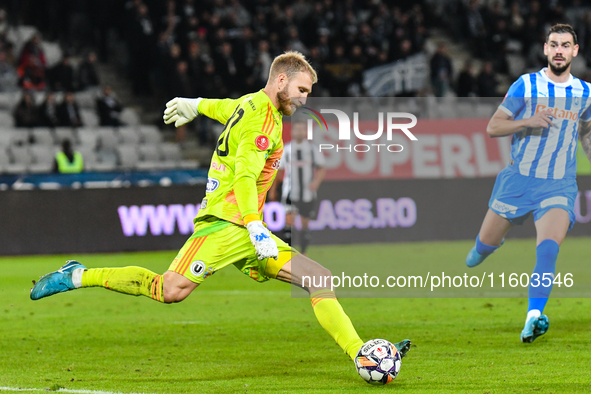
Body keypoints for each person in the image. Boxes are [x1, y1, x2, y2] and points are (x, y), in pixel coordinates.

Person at [30, 51, 411, 373]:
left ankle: (360, 353)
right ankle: (78, 275)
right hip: (227, 225)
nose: (304, 99)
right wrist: (257, 226)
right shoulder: (264, 120)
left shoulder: (251, 103)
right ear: (281, 80)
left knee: (319, 278)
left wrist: (195, 105)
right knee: (169, 290)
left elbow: (224, 107)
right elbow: (245, 176)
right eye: (301, 90)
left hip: (244, 229)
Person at [465, 24, 591, 343]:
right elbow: (493, 127)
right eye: (554, 44)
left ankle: (533, 317)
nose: (559, 50)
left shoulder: (585, 93)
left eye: (566, 45)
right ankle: (485, 246)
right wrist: (527, 121)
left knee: (548, 250)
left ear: (575, 51)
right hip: (518, 183)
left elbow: (586, 132)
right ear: (545, 49)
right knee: (480, 251)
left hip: (559, 185)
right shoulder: (526, 85)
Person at [279, 120, 326, 255]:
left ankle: (304, 252)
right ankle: (289, 253)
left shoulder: (312, 149)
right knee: (289, 222)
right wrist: (274, 187)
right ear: (292, 132)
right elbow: (280, 170)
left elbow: (322, 167)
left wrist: (316, 182)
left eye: (302, 129)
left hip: (307, 193)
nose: (299, 132)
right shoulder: (286, 149)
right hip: (289, 191)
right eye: (297, 129)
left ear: (306, 132)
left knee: (305, 223)